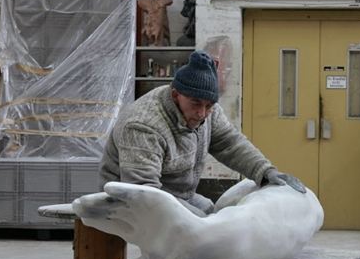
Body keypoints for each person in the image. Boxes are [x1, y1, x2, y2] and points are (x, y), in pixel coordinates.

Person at [100, 50, 305, 215]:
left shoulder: (208, 112)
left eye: (209, 105)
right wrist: (197, 221)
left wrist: (265, 172)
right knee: (203, 229)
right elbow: (144, 193)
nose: (202, 113)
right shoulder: (144, 125)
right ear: (175, 95)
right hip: (127, 200)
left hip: (178, 194)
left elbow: (230, 143)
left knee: (211, 212)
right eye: (195, 103)